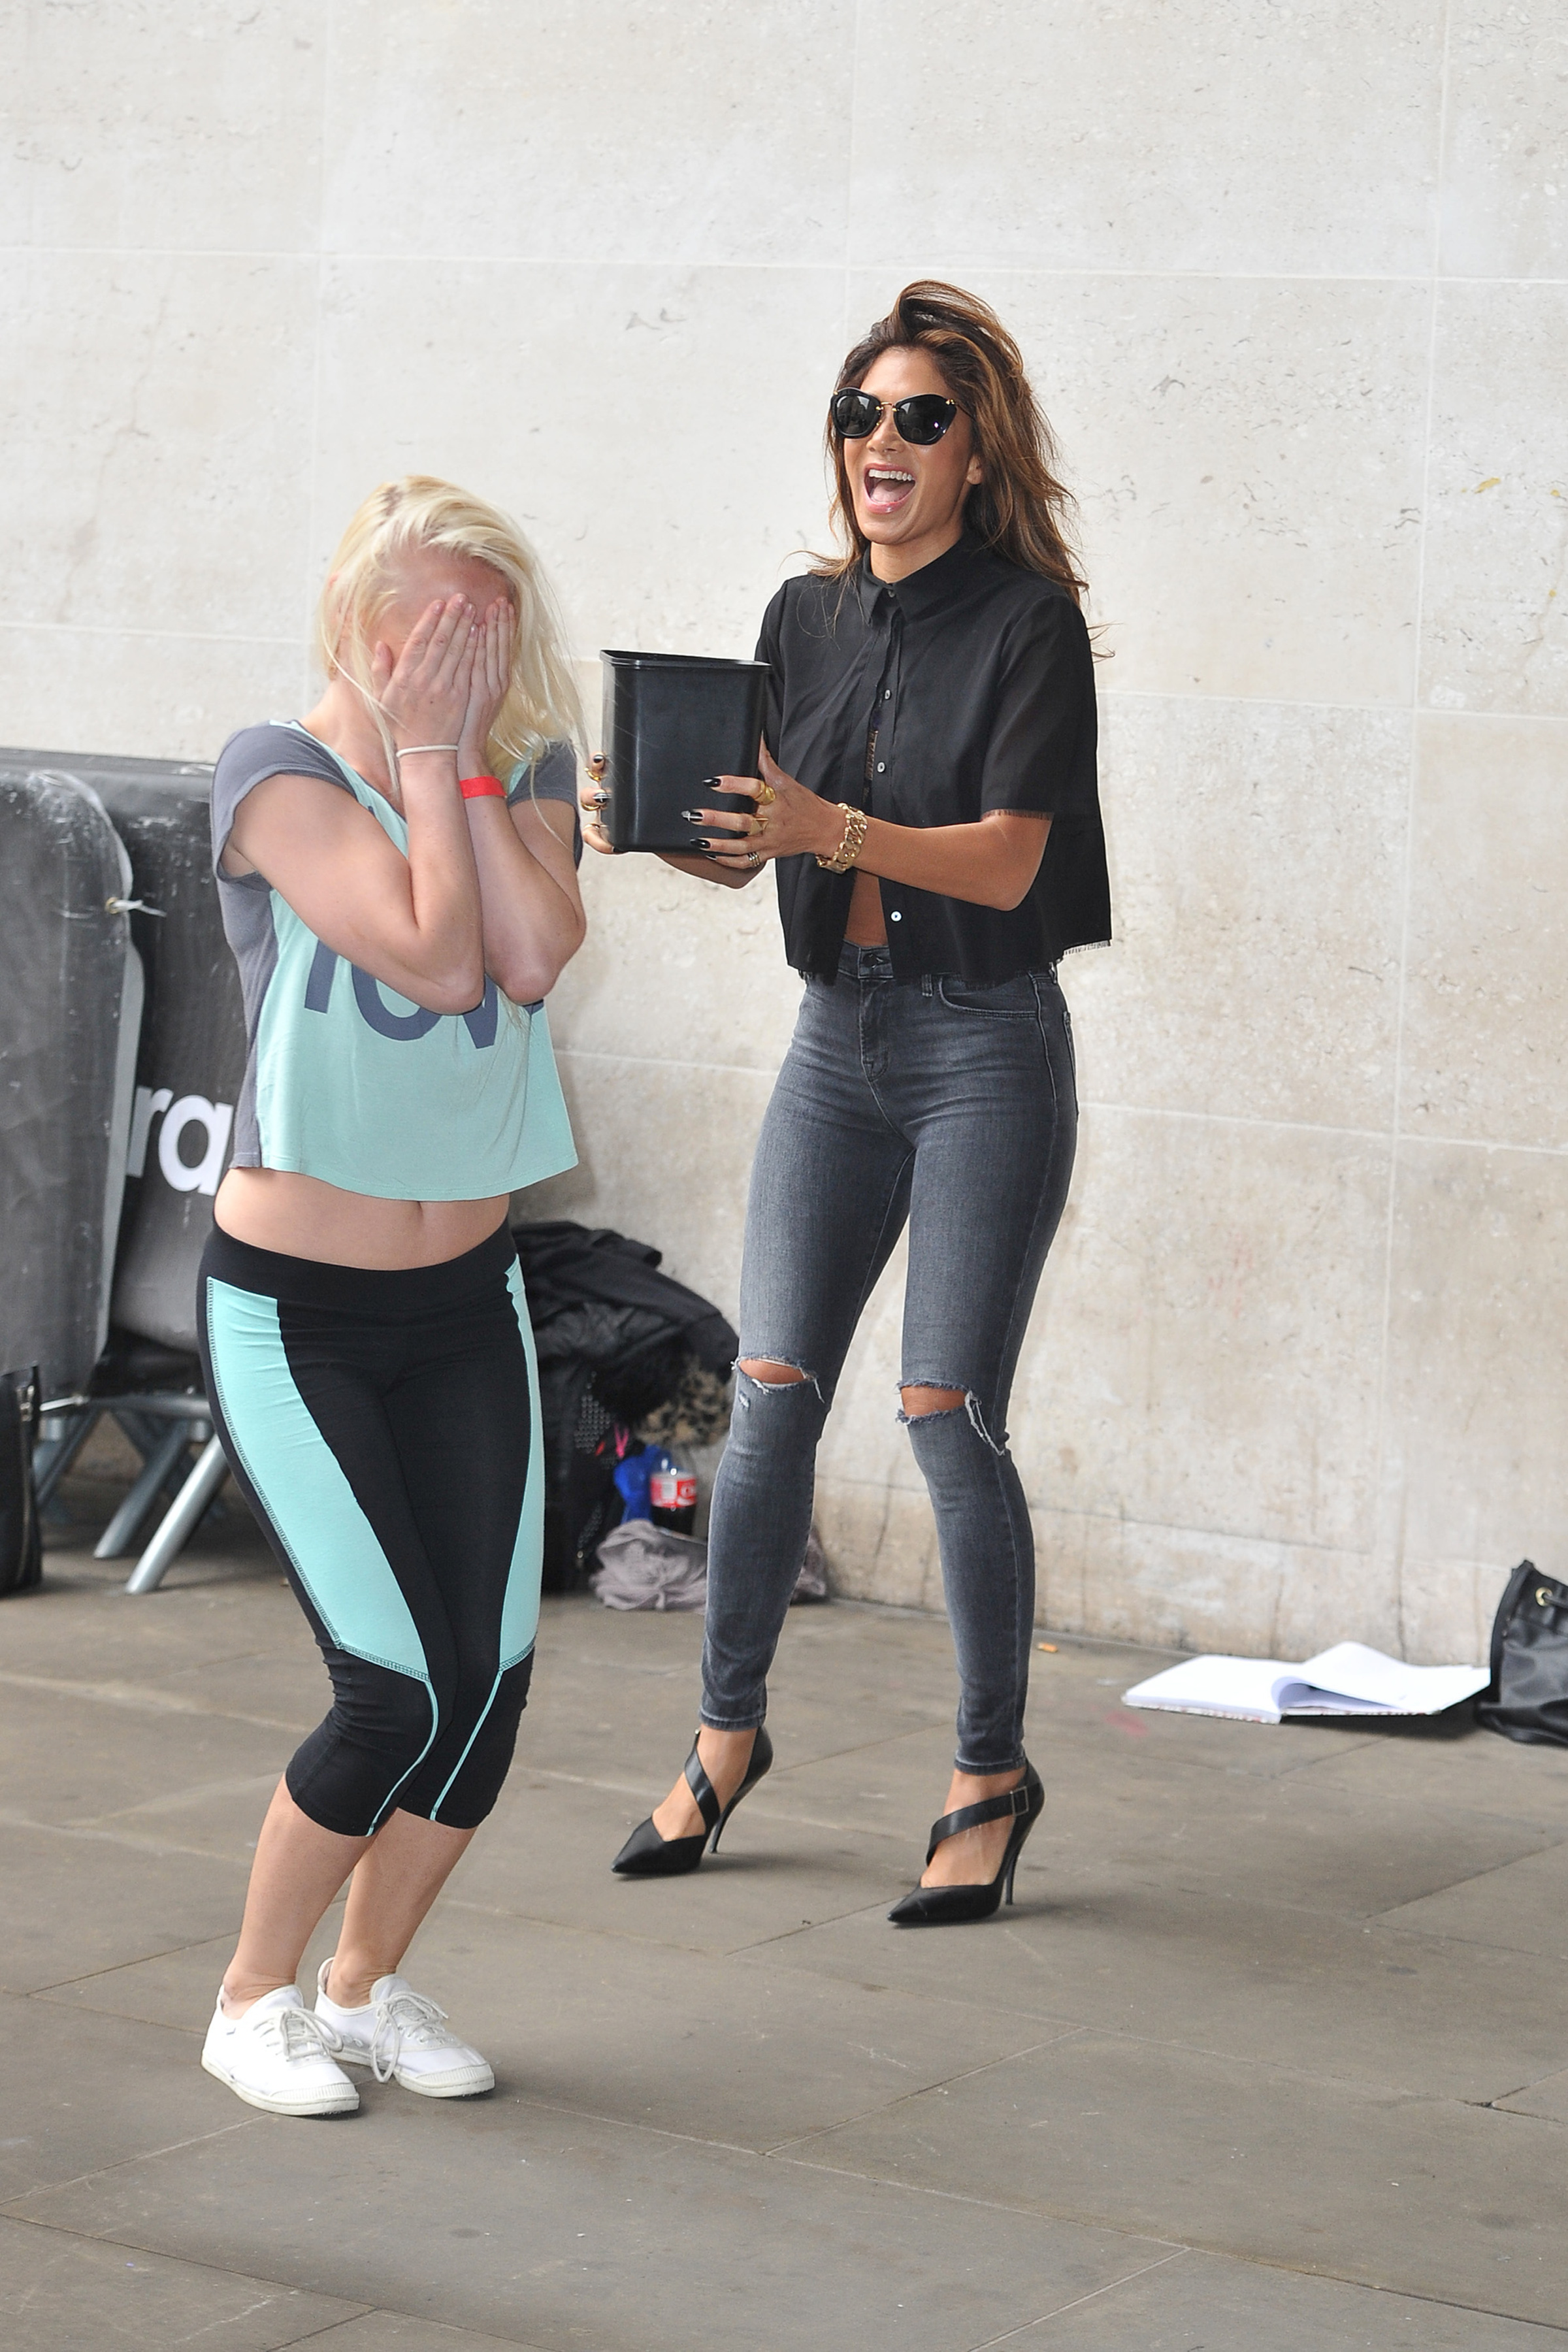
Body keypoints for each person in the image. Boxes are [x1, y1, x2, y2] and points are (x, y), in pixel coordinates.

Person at [583, 283, 1110, 1925]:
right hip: (838, 1045)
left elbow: (1012, 857)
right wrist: (659, 823)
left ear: (975, 453)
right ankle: (725, 1739)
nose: (882, 443)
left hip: (982, 1049)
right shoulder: (803, 620)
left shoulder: (1031, 625)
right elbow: (763, 839)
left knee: (946, 1411)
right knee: (773, 1390)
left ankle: (986, 1774)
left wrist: (832, 833)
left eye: (920, 420)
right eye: (860, 415)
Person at [198, 477, 585, 2114]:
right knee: (395, 1688)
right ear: (363, 624)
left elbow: (530, 953)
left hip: (467, 1300)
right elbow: (429, 957)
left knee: (486, 1697)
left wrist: (475, 758)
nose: (459, 655)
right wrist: (425, 753)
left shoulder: (520, 772)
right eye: (431, 628)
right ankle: (250, 2000)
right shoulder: (274, 774)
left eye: (487, 631)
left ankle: (362, 1988)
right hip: (297, 1311)